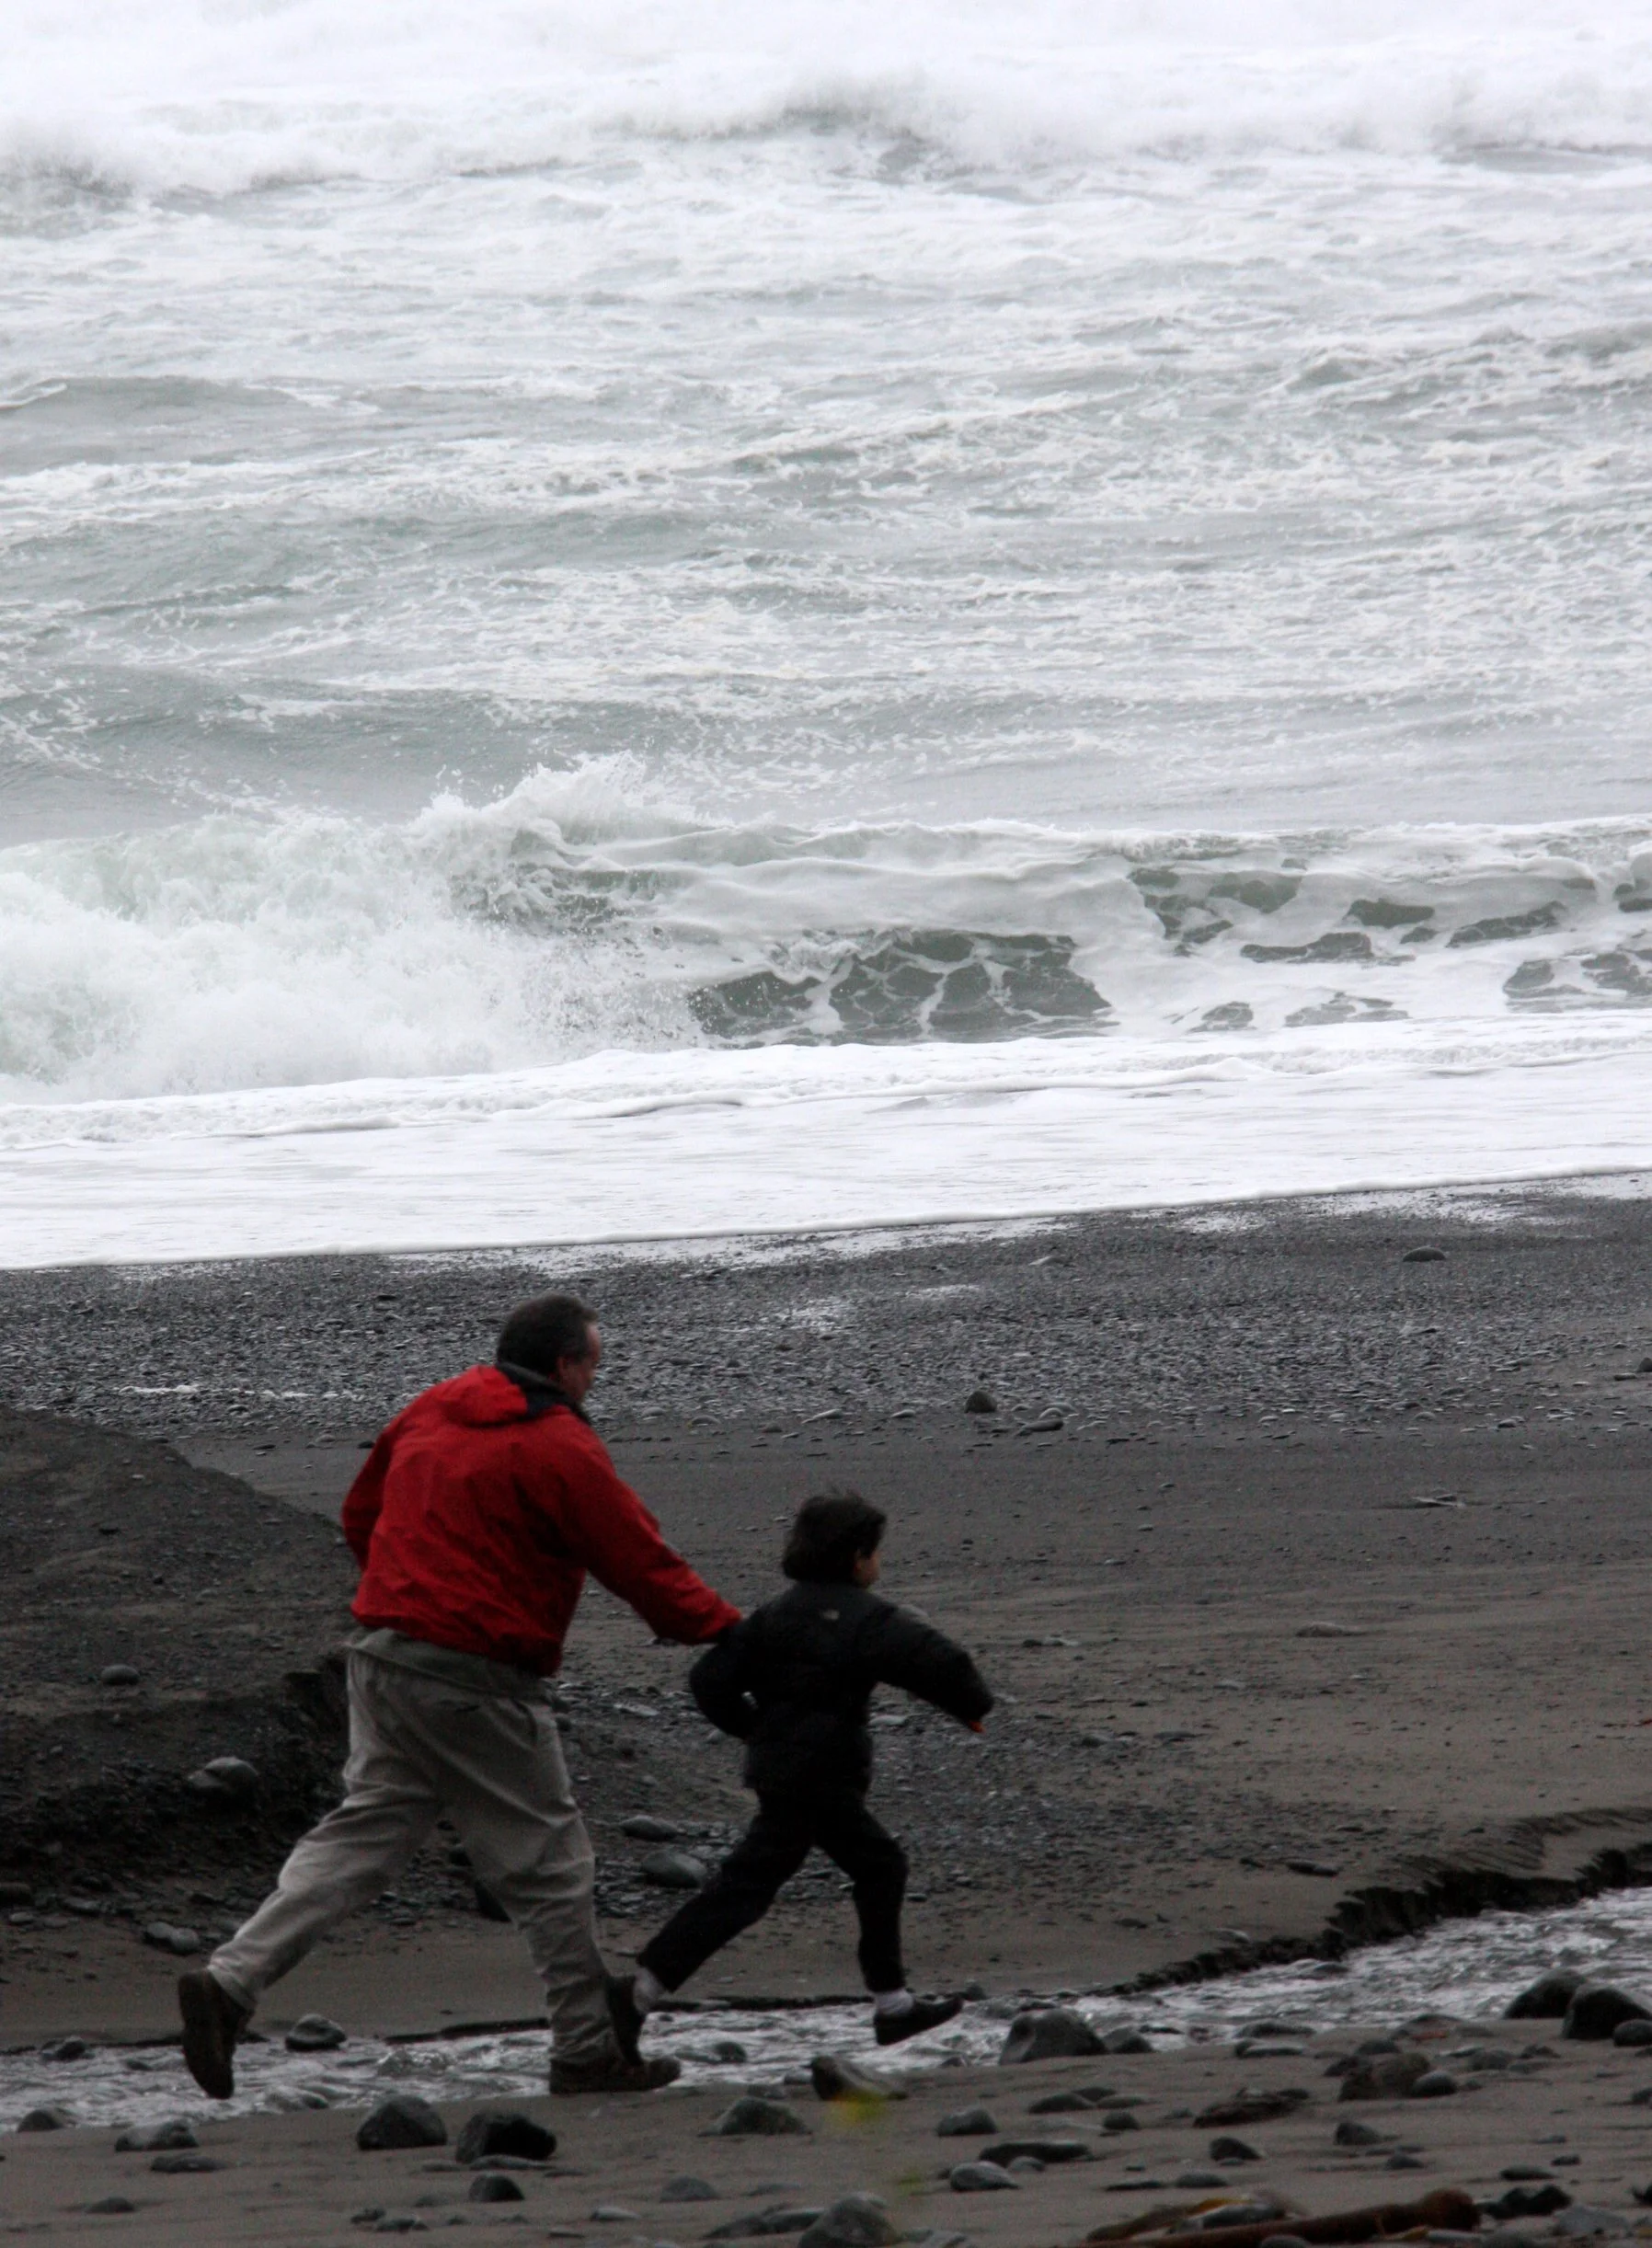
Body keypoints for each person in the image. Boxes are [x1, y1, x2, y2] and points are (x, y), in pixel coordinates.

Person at [177, 1292, 740, 2101]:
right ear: (562, 1366)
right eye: (593, 1365)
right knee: (551, 1867)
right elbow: (638, 1560)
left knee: (363, 1834)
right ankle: (586, 2050)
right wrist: (725, 1630)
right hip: (475, 1675)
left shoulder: (431, 1410)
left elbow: (361, 1515)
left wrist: (408, 1586)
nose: (595, 1379)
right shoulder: (558, 1446)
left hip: (382, 1656)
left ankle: (231, 1981)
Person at [610, 1490, 991, 2058]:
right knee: (847, 1872)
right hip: (825, 1776)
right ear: (859, 1557)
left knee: (789, 1880)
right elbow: (937, 1664)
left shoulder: (773, 1616)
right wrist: (973, 1706)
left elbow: (708, 1682)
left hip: (784, 1772)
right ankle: (890, 2007)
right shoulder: (869, 1618)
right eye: (876, 1552)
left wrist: (756, 1730)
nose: (878, 1562)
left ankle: (891, 2006)